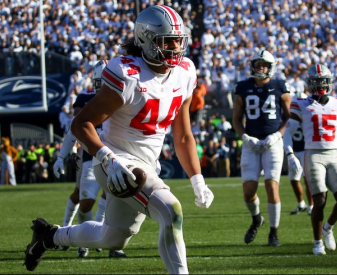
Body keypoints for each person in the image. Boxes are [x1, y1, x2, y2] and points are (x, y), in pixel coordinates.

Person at [24, 6, 214, 274]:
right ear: (146, 40)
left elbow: (182, 134)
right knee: (171, 211)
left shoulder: (185, 71)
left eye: (178, 39)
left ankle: (48, 236)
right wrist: (107, 159)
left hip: (147, 164)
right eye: (166, 40)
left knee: (112, 237)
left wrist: (198, 180)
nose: (175, 46)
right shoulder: (127, 73)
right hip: (115, 161)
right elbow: (82, 124)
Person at [53, 60, 128, 258]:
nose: (102, 87)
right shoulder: (85, 99)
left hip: (119, 156)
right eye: (100, 82)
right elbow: (74, 129)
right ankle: (83, 238)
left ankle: (110, 243)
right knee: (85, 201)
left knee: (116, 200)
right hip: (90, 157)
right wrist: (61, 156)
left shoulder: (124, 98)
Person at [283, 64, 337, 255]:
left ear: (330, 81)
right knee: (319, 200)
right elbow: (287, 133)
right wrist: (290, 154)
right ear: (309, 83)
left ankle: (328, 227)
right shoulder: (300, 103)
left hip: (333, 154)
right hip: (313, 154)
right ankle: (317, 242)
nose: (320, 84)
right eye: (316, 81)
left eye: (323, 80)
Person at [232, 50, 291, 247]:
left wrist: (277, 135)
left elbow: (289, 116)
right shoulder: (243, 87)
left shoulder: (280, 85)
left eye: (264, 65)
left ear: (270, 67)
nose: (260, 68)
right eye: (258, 64)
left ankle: (273, 233)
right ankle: (257, 218)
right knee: (248, 191)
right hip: (252, 143)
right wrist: (245, 137)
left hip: (272, 143)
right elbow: (236, 119)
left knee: (271, 186)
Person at [282, 91, 313, 216]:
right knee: (293, 179)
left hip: (305, 150)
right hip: (294, 151)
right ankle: (301, 203)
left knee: (307, 180)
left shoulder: (309, 116)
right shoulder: (292, 116)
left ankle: (311, 205)